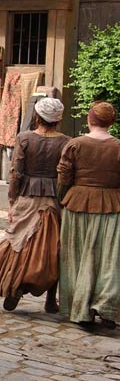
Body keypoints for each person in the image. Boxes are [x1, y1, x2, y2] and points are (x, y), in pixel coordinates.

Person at [0, 98, 68, 313]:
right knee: (52, 248)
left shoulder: (25, 138)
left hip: (27, 197)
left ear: (37, 117)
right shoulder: (66, 141)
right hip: (53, 199)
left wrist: (12, 200)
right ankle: (50, 299)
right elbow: (65, 174)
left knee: (19, 243)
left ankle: (13, 287)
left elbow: (16, 171)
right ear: (57, 120)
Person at [57, 100, 120, 329]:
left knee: (77, 257)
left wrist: (61, 199)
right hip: (113, 207)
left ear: (89, 119)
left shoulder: (75, 144)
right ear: (111, 122)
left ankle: (81, 309)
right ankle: (106, 308)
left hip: (78, 204)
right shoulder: (118, 146)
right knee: (109, 260)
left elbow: (64, 177)